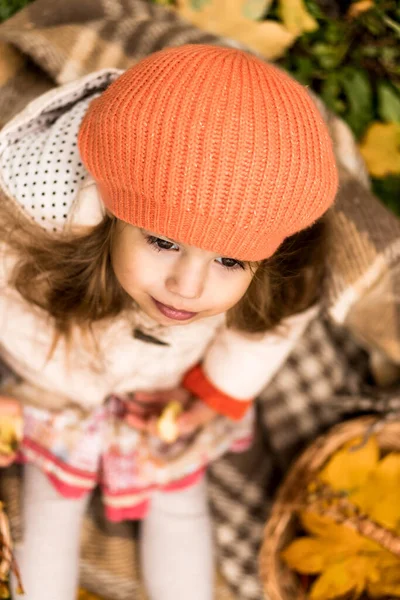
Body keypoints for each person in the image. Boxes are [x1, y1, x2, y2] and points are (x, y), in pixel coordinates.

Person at [0, 44, 337, 600]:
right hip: (47, 388)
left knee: (178, 498)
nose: (189, 286)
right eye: (162, 241)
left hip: (160, 397)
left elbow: (274, 323)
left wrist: (215, 392)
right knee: (50, 508)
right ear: (112, 214)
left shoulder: (273, 277)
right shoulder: (40, 232)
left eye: (229, 261)